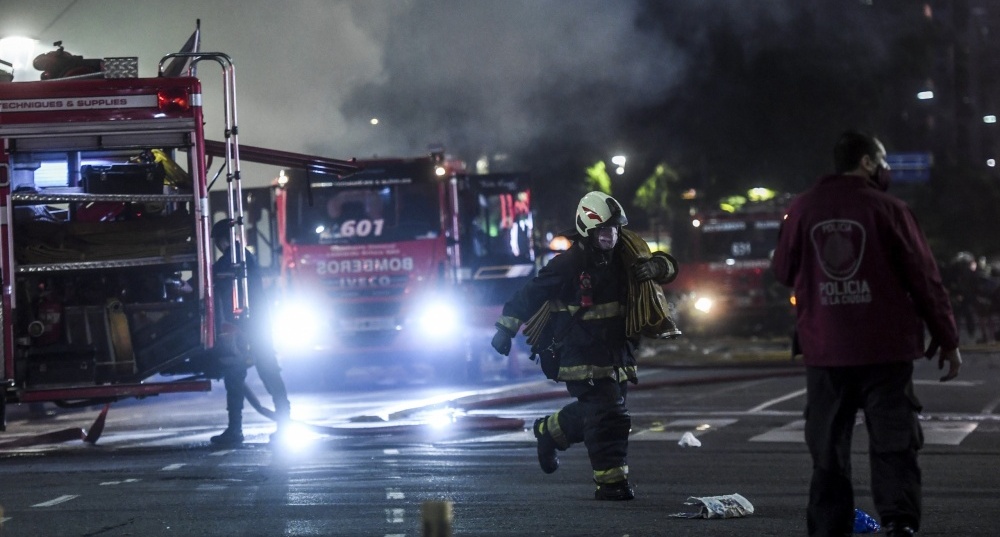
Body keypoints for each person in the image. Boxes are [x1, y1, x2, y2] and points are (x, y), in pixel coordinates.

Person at [771, 130, 962, 537]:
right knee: (894, 443)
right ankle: (899, 523)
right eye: (883, 159)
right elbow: (925, 279)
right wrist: (948, 338)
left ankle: (828, 527)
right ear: (868, 162)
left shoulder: (802, 209)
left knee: (827, 451)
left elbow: (782, 271)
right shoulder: (890, 209)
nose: (887, 167)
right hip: (885, 350)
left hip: (826, 350)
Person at [491, 191, 678, 501]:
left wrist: (656, 268)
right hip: (580, 354)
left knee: (599, 411)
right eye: (604, 231)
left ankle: (549, 432)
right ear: (588, 230)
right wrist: (505, 328)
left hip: (616, 352)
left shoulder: (625, 257)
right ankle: (611, 483)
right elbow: (530, 293)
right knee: (610, 416)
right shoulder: (568, 264)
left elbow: (668, 266)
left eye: (615, 231)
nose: (611, 237)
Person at [209, 219, 292, 445]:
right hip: (256, 325)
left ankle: (236, 430)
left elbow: (212, 279)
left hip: (248, 326)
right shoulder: (242, 256)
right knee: (265, 374)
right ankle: (282, 424)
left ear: (221, 240)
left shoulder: (233, 260)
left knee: (240, 377)